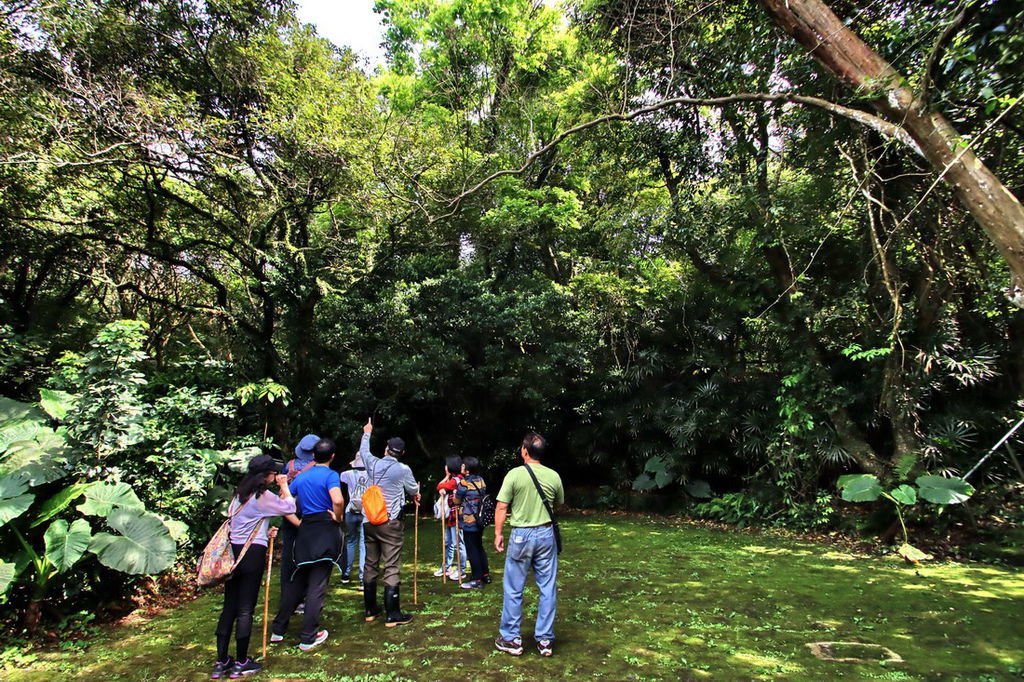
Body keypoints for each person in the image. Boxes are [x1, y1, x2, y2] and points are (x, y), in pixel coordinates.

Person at [211, 454, 296, 679]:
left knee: (229, 606)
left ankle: (221, 662)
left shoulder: (238, 495)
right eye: (274, 473)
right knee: (245, 609)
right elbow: (289, 507)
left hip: (232, 555)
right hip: (252, 555)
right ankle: (241, 662)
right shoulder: (263, 496)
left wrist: (264, 531)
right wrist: (285, 486)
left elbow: (243, 523)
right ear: (267, 475)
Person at [493, 432, 564, 658]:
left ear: (525, 451)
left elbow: (502, 507)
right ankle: (545, 640)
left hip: (521, 535)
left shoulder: (514, 475)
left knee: (514, 587)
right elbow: (558, 503)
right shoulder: (553, 476)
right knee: (547, 587)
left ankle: (512, 638)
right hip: (545, 534)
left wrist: (498, 534)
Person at [269, 438, 344, 651]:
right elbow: (337, 500)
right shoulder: (331, 475)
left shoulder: (302, 478)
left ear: (313, 456)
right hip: (324, 529)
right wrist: (337, 517)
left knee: (298, 580)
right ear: (332, 456)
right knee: (317, 584)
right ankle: (308, 636)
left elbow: (286, 502)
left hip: (305, 530)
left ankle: (278, 629)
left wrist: (298, 523)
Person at [359, 418, 420, 627]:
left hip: (368, 521)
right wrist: (415, 495)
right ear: (401, 453)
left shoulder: (372, 463)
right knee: (391, 565)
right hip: (390, 522)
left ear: (386, 449)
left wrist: (367, 432)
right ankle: (392, 614)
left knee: (370, 563)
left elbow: (364, 450)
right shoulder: (403, 470)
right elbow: (413, 490)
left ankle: (370, 610)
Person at [278, 433, 319, 605]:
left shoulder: (290, 465)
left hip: (288, 512)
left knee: (288, 555)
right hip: (309, 513)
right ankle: (304, 596)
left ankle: (287, 596)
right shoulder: (317, 468)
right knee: (309, 555)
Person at [453, 455, 491, 589]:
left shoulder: (464, 483)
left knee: (472, 549)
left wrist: (455, 494)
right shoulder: (481, 480)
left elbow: (456, 501)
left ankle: (476, 579)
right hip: (480, 518)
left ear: (467, 469)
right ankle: (485, 574)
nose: (461, 467)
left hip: (469, 520)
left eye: (463, 465)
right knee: (479, 546)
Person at [434, 456, 466, 580]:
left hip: (457, 516)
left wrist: (446, 479)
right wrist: (447, 478)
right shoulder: (453, 479)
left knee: (458, 543)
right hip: (450, 517)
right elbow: (441, 486)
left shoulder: (456, 480)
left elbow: (439, 486)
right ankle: (447, 567)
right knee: (448, 542)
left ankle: (461, 569)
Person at [339, 451, 368, 585]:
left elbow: (341, 477)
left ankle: (346, 573)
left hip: (350, 510)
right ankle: (362, 578)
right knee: (363, 544)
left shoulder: (348, 474)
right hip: (365, 512)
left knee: (350, 541)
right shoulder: (371, 474)